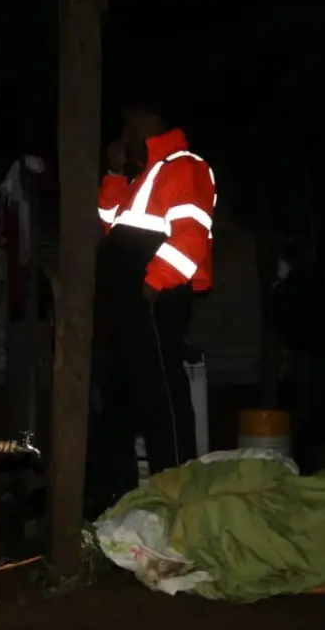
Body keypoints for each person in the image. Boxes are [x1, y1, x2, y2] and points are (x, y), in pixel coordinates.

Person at [93, 101, 216, 494]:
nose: (124, 133)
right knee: (120, 400)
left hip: (156, 299)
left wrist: (153, 284)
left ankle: (178, 495)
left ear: (150, 122)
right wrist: (113, 173)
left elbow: (191, 237)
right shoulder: (143, 175)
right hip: (130, 302)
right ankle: (113, 496)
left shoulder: (184, 166)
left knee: (163, 399)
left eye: (130, 123)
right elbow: (110, 225)